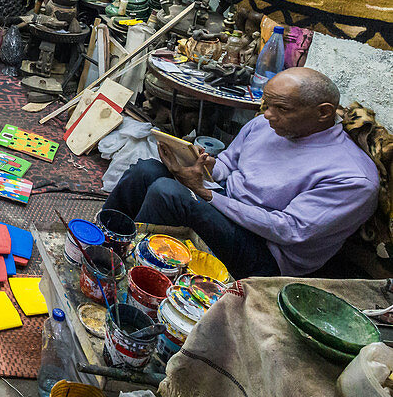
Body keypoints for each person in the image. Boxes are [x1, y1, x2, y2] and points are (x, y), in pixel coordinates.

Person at [104, 68, 379, 279]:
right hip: (230, 207)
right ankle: (105, 245)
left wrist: (205, 194)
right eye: (267, 104)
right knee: (147, 169)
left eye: (281, 108)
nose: (268, 115)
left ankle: (138, 273)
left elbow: (288, 230)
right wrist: (205, 165)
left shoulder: (353, 178)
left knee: (169, 193)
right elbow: (228, 164)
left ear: (323, 113)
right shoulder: (266, 124)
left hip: (268, 253)